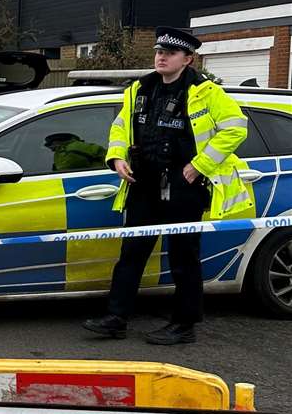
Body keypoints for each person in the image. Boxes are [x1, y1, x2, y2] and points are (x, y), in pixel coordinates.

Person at [83, 27, 254, 346]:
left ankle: (184, 324)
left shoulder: (206, 92)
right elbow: (120, 126)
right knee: (131, 253)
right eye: (159, 51)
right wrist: (117, 157)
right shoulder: (139, 88)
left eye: (170, 53)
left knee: (183, 257)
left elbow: (235, 129)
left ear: (188, 59)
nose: (161, 56)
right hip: (143, 182)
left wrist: (200, 165)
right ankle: (116, 318)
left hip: (184, 184)